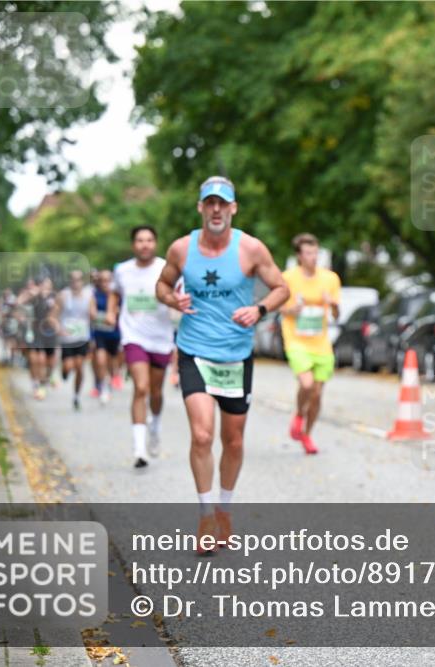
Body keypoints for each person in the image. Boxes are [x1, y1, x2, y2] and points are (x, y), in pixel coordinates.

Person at [156, 176, 289, 555]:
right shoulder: (182, 249)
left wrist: (259, 309)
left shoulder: (251, 248)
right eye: (209, 203)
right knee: (201, 435)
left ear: (233, 208)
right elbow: (162, 285)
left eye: (223, 203)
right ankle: (204, 517)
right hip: (194, 349)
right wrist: (172, 301)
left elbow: (282, 288)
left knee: (233, 439)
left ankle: (224, 508)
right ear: (200, 207)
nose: (216, 209)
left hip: (236, 354)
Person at [107, 226, 176, 469]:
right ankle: (139, 449)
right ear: (133, 244)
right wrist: (110, 312)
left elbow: (178, 295)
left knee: (156, 393)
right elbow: (114, 294)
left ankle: (154, 425)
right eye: (139, 240)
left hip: (160, 337)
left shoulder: (166, 268)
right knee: (141, 387)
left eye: (149, 240)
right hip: (132, 335)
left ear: (155, 244)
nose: (144, 244)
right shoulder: (122, 270)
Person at [280, 233, 341, 455]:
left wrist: (332, 304)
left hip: (321, 343)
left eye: (315, 252)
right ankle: (298, 414)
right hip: (296, 340)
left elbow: (336, 313)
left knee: (317, 394)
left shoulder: (330, 279)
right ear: (299, 256)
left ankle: (307, 433)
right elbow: (278, 307)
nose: (313, 257)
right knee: (306, 384)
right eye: (308, 253)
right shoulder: (287, 278)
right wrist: (290, 310)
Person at [54, 270, 96, 411]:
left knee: (79, 366)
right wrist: (59, 328)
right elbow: (53, 316)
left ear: (82, 282)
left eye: (78, 280)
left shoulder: (88, 296)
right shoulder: (63, 296)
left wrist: (93, 315)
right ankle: (64, 371)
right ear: (69, 281)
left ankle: (76, 395)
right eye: (73, 279)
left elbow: (93, 313)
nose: (75, 282)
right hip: (67, 337)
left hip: (82, 336)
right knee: (68, 366)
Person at [91, 269, 123, 404]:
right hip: (99, 334)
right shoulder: (94, 295)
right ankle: (102, 386)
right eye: (102, 280)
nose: (105, 283)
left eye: (108, 280)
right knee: (100, 360)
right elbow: (91, 313)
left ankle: (111, 380)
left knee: (112, 362)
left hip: (115, 334)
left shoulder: (118, 295)